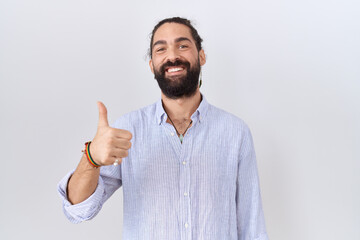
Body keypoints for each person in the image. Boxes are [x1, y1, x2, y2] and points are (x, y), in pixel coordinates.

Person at [58, 17, 269, 240]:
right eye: (161, 49)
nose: (172, 56)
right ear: (152, 65)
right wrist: (91, 157)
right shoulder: (128, 130)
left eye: (183, 45)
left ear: (201, 56)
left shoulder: (236, 132)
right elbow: (77, 210)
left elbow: (251, 226)